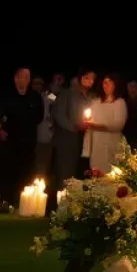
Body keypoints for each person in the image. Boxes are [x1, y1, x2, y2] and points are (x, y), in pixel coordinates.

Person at [0, 67, 45, 196]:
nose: (26, 80)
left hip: (28, 140)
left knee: (27, 171)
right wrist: (2, 129)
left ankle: (23, 198)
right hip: (10, 141)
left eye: (28, 77)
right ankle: (7, 199)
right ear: (16, 78)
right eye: (23, 76)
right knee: (10, 171)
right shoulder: (7, 96)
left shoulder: (35, 96)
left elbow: (39, 116)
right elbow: (0, 115)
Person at [51, 68, 95, 196]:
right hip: (67, 139)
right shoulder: (67, 94)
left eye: (92, 78)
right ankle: (61, 203)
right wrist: (74, 127)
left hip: (85, 140)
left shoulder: (91, 97)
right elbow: (59, 115)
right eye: (86, 77)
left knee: (80, 174)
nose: (89, 81)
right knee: (65, 173)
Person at [87, 73, 128, 173]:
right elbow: (89, 118)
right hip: (97, 145)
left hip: (111, 146)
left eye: (110, 83)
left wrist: (100, 126)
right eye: (105, 82)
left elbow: (118, 125)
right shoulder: (96, 102)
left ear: (115, 85)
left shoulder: (119, 102)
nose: (106, 85)